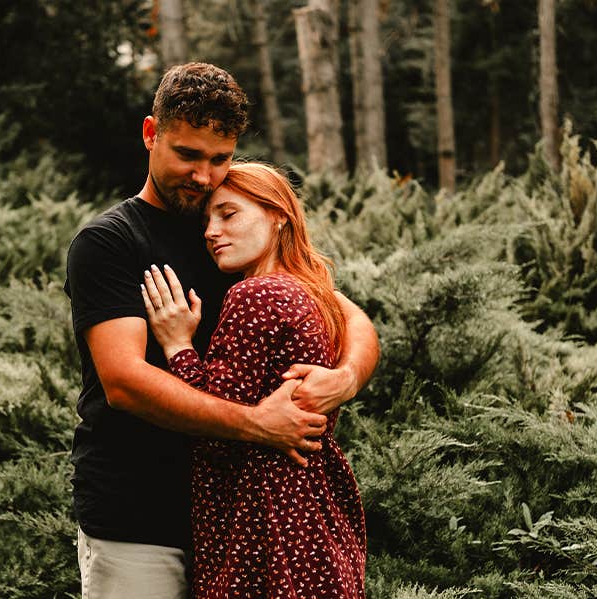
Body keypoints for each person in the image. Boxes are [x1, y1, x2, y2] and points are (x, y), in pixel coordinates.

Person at [63, 62, 379, 598]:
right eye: (187, 155)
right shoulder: (109, 243)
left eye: (220, 159)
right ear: (150, 134)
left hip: (241, 521)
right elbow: (123, 382)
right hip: (138, 518)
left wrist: (346, 378)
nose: (204, 177)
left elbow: (351, 315)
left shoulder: (235, 231)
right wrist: (258, 424)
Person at [141, 162, 366, 597]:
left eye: (229, 214)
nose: (210, 231)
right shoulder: (312, 293)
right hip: (314, 516)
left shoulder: (255, 295)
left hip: (266, 527)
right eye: (207, 219)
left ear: (278, 215)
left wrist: (177, 346)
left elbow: (217, 433)